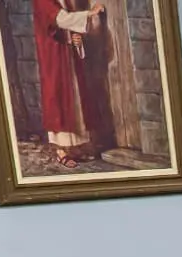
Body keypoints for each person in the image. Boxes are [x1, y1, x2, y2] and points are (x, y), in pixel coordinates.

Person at [31, 1, 111, 169]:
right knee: (58, 97)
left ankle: (75, 148)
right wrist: (90, 13)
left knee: (74, 96)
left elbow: (69, 24)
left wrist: (74, 38)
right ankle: (61, 151)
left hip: (67, 53)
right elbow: (60, 20)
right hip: (54, 54)